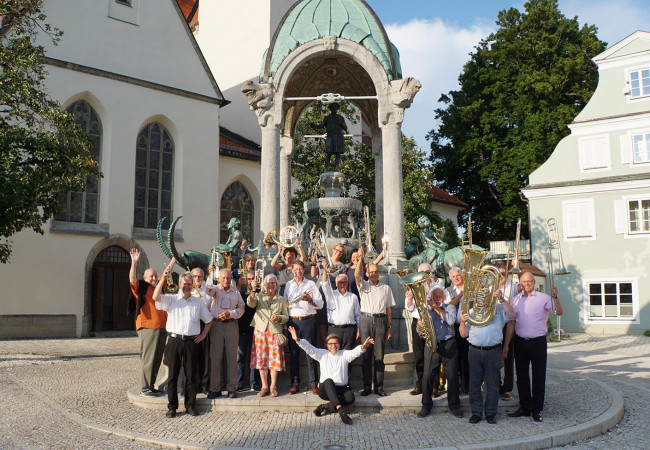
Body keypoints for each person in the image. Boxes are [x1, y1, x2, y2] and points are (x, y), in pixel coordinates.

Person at [504, 271, 563, 422]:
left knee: (538, 376)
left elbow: (558, 312)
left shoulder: (544, 298)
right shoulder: (516, 300)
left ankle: (536, 409)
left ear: (534, 282)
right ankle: (525, 407)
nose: (527, 284)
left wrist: (555, 297)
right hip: (520, 341)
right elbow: (511, 323)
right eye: (524, 282)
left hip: (538, 342)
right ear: (520, 283)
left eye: (529, 281)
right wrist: (506, 345)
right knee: (522, 376)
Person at [153, 270, 213, 418]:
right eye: (184, 283)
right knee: (173, 376)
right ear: (179, 284)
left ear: (192, 286)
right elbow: (155, 296)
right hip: (174, 341)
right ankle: (172, 407)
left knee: (191, 376)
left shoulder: (198, 303)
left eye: (188, 284)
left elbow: (209, 320)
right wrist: (163, 278)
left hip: (191, 342)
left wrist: (203, 334)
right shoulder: (171, 299)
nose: (186, 286)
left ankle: (190, 405)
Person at [288, 326, 374, 425]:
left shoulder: (344, 354)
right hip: (325, 389)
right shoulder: (322, 354)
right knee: (328, 381)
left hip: (341, 388)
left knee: (350, 397)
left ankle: (326, 406)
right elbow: (309, 348)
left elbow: (355, 352)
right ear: (327, 345)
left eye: (336, 343)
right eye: (331, 343)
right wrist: (298, 340)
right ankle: (341, 412)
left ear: (339, 344)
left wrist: (363, 347)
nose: (333, 345)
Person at [459, 286, 515, 424]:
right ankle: (476, 413)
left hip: (493, 350)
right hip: (475, 351)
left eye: (485, 296)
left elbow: (511, 314)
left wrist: (501, 299)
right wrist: (462, 322)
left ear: (490, 297)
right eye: (480, 296)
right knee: (474, 383)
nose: (483, 299)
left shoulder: (499, 309)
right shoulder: (471, 312)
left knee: (493, 384)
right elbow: (463, 334)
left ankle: (491, 413)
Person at [418, 285, 463, 419]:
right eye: (435, 297)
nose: (437, 299)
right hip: (432, 344)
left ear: (443, 297)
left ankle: (454, 405)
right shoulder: (426, 310)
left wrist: (437, 309)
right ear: (431, 298)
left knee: (452, 375)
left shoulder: (450, 307)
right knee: (427, 376)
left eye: (439, 296)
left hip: (449, 343)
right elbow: (420, 332)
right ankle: (426, 405)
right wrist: (419, 327)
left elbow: (450, 321)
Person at [355, 247, 394, 396]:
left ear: (379, 273)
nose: (374, 274)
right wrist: (360, 259)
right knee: (366, 355)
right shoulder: (364, 286)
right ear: (367, 274)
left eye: (376, 272)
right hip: (365, 320)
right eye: (371, 272)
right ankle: (366, 387)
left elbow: (388, 309)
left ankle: (379, 387)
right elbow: (356, 275)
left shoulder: (386, 288)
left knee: (379, 355)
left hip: (380, 321)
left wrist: (390, 327)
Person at [129, 248, 167, 398]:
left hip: (162, 327)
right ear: (144, 278)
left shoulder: (159, 286)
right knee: (148, 359)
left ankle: (151, 386)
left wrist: (174, 258)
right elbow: (132, 279)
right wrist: (134, 262)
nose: (154, 278)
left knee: (156, 359)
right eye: (151, 276)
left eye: (155, 276)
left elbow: (166, 273)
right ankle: (145, 388)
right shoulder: (141, 287)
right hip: (148, 327)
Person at [285, 260, 324, 395]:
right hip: (293, 322)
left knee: (311, 353)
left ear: (304, 270)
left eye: (300, 269)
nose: (298, 272)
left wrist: (310, 300)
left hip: (309, 321)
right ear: (292, 270)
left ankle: (314, 383)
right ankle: (295, 383)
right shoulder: (288, 285)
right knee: (294, 354)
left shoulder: (311, 284)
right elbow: (285, 304)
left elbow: (320, 304)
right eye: (295, 269)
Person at [247, 274, 289, 398]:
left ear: (276, 285)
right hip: (261, 331)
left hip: (275, 331)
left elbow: (286, 316)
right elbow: (250, 303)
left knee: (274, 360)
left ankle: (273, 386)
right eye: (268, 283)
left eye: (272, 283)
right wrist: (253, 290)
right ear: (264, 285)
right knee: (262, 359)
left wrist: (279, 317)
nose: (270, 285)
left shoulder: (280, 299)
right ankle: (264, 386)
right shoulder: (259, 296)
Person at [207, 268, 244, 399]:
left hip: (231, 326)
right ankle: (215, 388)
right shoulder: (214, 289)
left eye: (228, 278)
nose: (226, 280)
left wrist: (231, 313)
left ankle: (231, 388)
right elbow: (207, 290)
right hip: (216, 325)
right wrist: (210, 273)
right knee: (216, 358)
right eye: (223, 278)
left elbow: (241, 308)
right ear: (219, 278)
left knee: (232, 358)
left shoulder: (235, 292)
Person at [404, 263, 438, 396]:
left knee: (433, 355)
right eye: (422, 272)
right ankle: (420, 384)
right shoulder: (412, 286)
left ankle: (434, 385)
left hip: (432, 322)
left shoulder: (436, 286)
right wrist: (410, 299)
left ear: (431, 273)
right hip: (417, 321)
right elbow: (409, 308)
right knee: (418, 355)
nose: (424, 274)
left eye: (427, 272)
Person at [320, 259, 360, 350]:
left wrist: (358, 330)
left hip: (349, 330)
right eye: (339, 282)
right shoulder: (330, 294)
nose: (342, 284)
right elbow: (325, 284)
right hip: (334, 330)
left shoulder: (353, 297)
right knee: (334, 355)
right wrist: (325, 269)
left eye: (344, 282)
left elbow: (358, 315)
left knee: (348, 357)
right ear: (336, 284)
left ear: (347, 283)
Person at [494, 262, 520, 401]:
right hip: (493, 326)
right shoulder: (490, 287)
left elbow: (524, 285)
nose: (501, 276)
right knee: (494, 358)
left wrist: (517, 269)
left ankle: (507, 388)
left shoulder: (513, 287)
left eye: (504, 273)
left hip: (508, 326)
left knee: (508, 358)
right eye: (499, 273)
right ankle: (496, 386)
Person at [237, 270, 261, 392]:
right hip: (242, 327)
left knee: (255, 357)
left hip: (256, 328)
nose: (252, 281)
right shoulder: (241, 291)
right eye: (250, 279)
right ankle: (239, 383)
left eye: (253, 279)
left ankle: (254, 383)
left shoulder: (260, 291)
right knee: (240, 357)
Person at [446, 267, 469, 395]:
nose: (456, 278)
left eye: (458, 275)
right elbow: (449, 305)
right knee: (456, 357)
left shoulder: (471, 289)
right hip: (454, 327)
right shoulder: (448, 290)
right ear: (451, 278)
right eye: (453, 276)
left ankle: (467, 386)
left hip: (470, 327)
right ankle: (458, 384)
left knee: (468, 358)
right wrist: (461, 294)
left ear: (462, 275)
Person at [311, 102, 348, 172]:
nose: (334, 109)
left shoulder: (340, 117)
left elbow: (345, 128)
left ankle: (336, 168)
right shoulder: (327, 118)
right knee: (328, 153)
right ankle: (326, 169)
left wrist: (341, 123)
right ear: (330, 109)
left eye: (335, 107)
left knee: (338, 153)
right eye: (333, 107)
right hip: (330, 137)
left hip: (338, 137)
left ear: (337, 109)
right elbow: (321, 126)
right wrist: (314, 126)